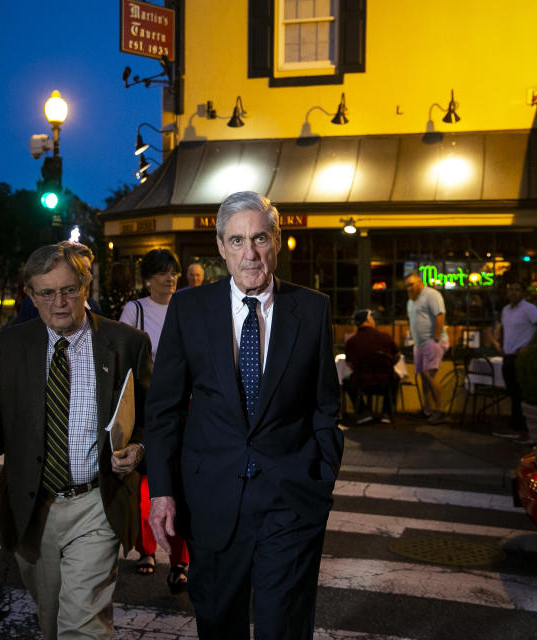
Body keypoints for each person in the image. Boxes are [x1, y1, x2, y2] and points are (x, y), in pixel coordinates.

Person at [145, 191, 343, 640]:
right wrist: (162, 491)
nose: (249, 254)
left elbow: (325, 406)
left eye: (259, 239)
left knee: (283, 628)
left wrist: (320, 478)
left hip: (291, 502)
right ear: (220, 246)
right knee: (218, 625)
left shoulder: (312, 309)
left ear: (276, 240)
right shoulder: (189, 309)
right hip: (212, 499)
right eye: (236, 241)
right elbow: (164, 410)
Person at [0, 241, 151, 640]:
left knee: (82, 626)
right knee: (52, 621)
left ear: (86, 286)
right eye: (47, 293)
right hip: (34, 508)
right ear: (31, 295)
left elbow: (152, 420)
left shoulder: (126, 343)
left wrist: (139, 449)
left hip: (98, 502)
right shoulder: (10, 347)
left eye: (69, 289)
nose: (59, 302)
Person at [118, 248, 190, 593]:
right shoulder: (135, 310)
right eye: (162, 272)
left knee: (181, 482)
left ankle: (180, 560)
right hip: (148, 404)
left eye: (173, 271)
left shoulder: (187, 306)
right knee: (147, 483)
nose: (169, 277)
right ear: (148, 278)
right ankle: (145, 549)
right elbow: (119, 355)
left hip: (186, 405)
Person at [489, 281, 537, 441]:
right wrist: (502, 345)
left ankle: (522, 429)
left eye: (517, 290)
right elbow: (506, 328)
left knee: (520, 392)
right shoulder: (506, 310)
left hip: (522, 356)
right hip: (509, 355)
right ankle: (515, 427)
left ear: (523, 293)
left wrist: (529, 346)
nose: (513, 293)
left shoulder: (529, 308)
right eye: (511, 289)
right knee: (512, 391)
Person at [343, 308, 400, 424]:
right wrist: (387, 366)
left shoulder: (351, 341)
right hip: (385, 380)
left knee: (346, 381)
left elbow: (349, 363)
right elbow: (397, 355)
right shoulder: (385, 337)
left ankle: (363, 412)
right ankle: (387, 413)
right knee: (395, 378)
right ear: (368, 320)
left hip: (362, 381)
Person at [405, 272, 448, 424]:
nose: (409, 288)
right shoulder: (412, 301)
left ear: (420, 282)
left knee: (429, 375)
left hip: (432, 342)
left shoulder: (431, 294)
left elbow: (440, 315)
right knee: (423, 378)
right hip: (419, 344)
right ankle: (427, 409)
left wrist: (435, 339)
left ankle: (440, 410)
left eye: (412, 284)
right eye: (407, 286)